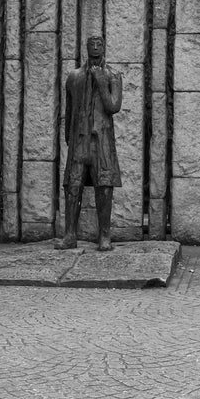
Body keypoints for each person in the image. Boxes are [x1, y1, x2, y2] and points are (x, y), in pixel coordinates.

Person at [56, 35, 123, 252]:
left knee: (104, 187)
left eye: (99, 43)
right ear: (86, 47)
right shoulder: (74, 76)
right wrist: (68, 136)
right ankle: (70, 235)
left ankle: (104, 236)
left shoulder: (113, 75)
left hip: (101, 140)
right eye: (91, 44)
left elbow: (113, 106)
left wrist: (102, 83)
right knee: (72, 186)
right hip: (79, 139)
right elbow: (68, 109)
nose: (95, 47)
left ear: (104, 46)